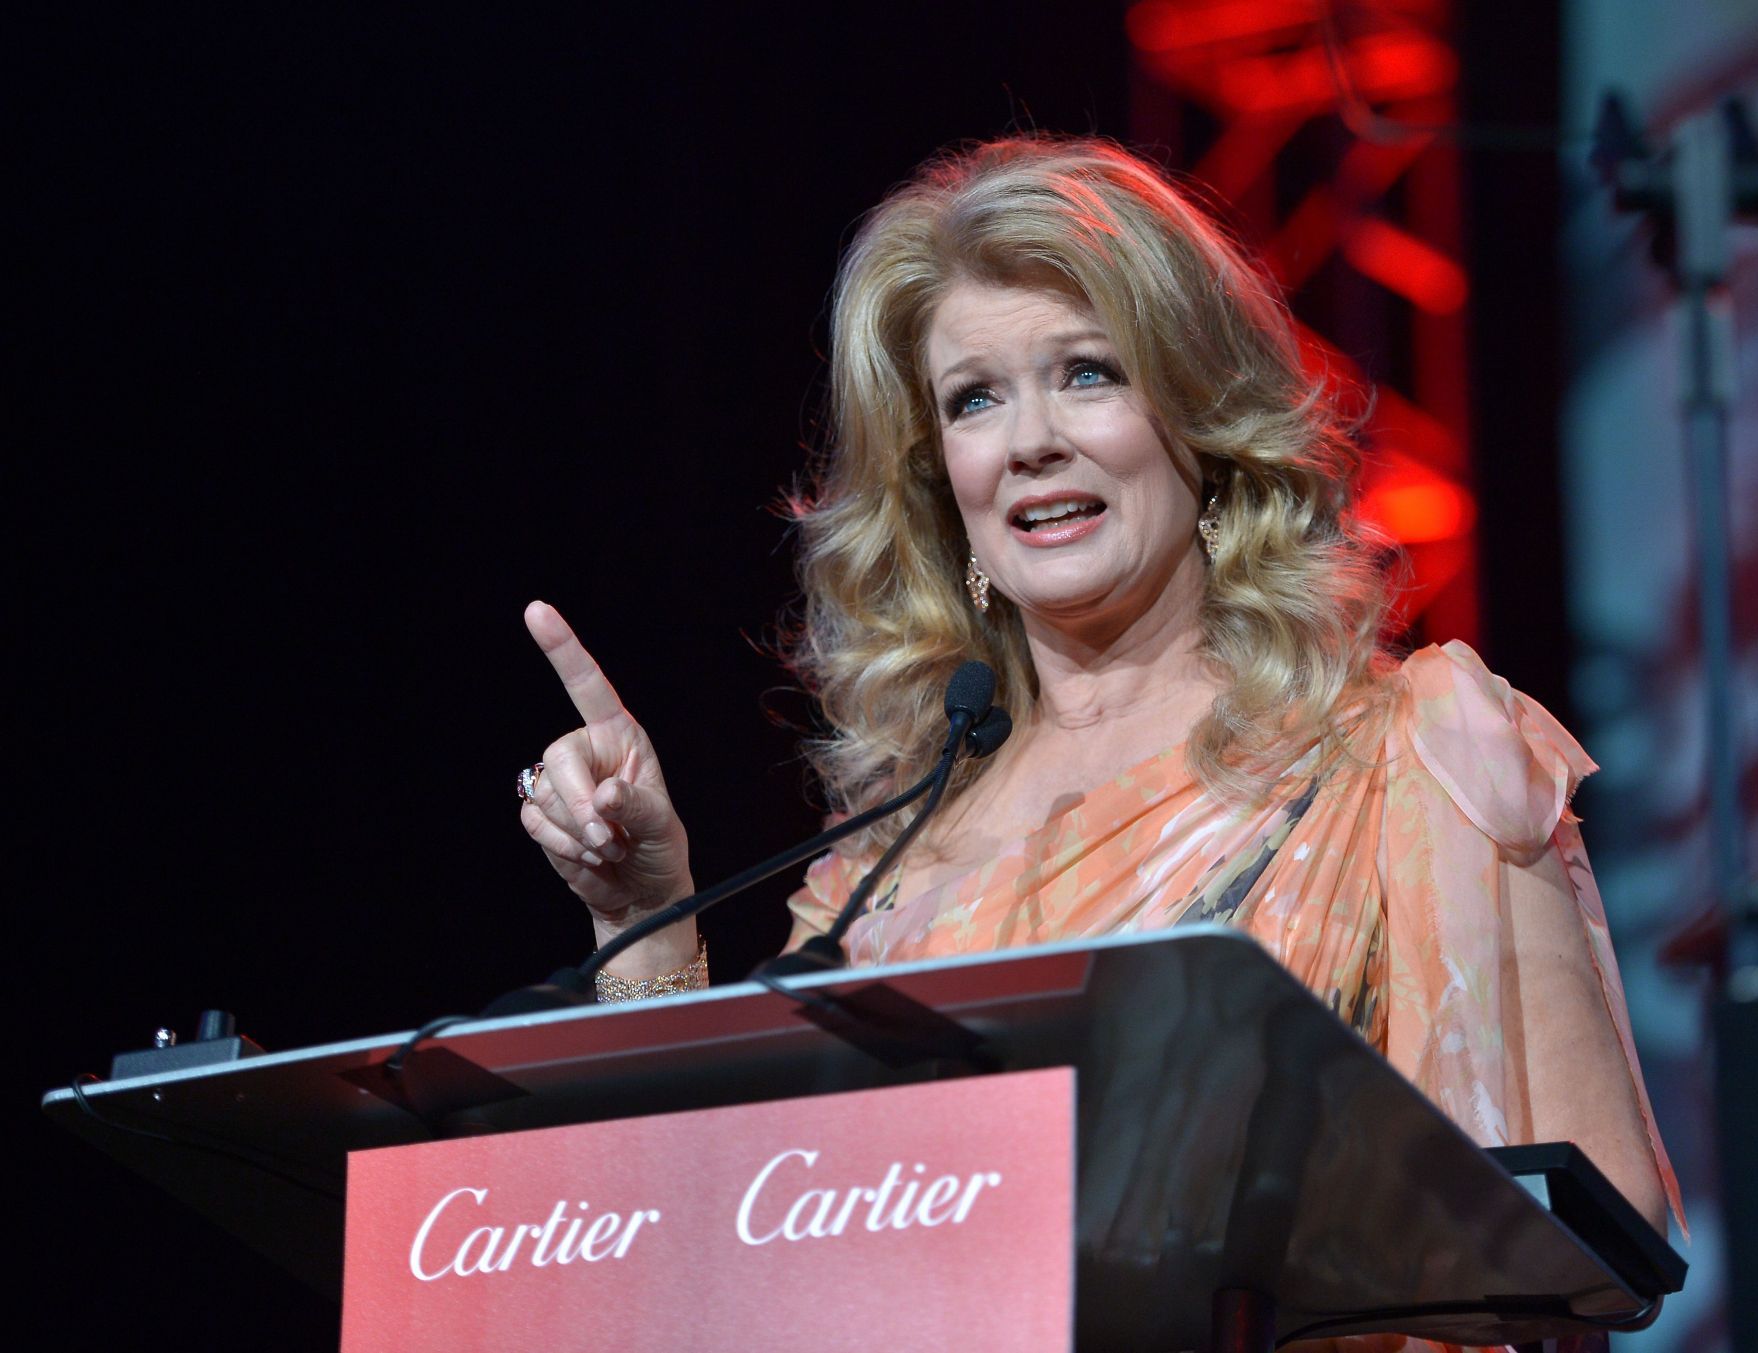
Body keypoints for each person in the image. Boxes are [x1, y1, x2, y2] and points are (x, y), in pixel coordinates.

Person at [513, 139, 1684, 1281]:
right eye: (974, 400)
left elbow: (1603, 1219)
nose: (1030, 443)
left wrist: (1206, 1208)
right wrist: (650, 913)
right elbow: (724, 1243)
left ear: (1202, 423)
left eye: (1088, 373)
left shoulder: (1410, 749)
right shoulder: (894, 856)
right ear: (942, 482)